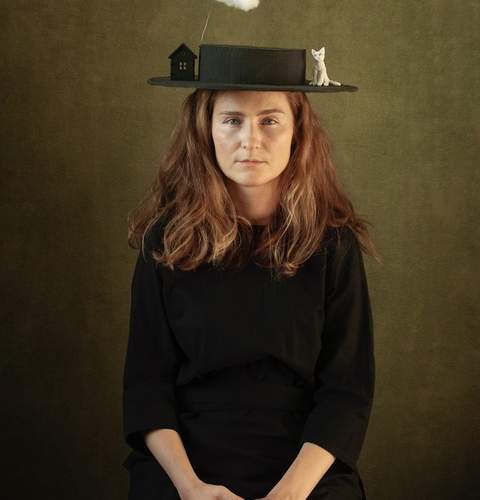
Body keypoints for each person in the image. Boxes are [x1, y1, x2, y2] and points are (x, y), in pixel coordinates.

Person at [121, 44, 380, 500]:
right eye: (232, 120)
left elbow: (347, 391)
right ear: (205, 130)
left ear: (298, 133)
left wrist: (289, 494)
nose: (250, 140)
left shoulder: (332, 244)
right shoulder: (165, 242)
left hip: (305, 469)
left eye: (269, 121)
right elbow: (147, 388)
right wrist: (191, 488)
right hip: (186, 467)